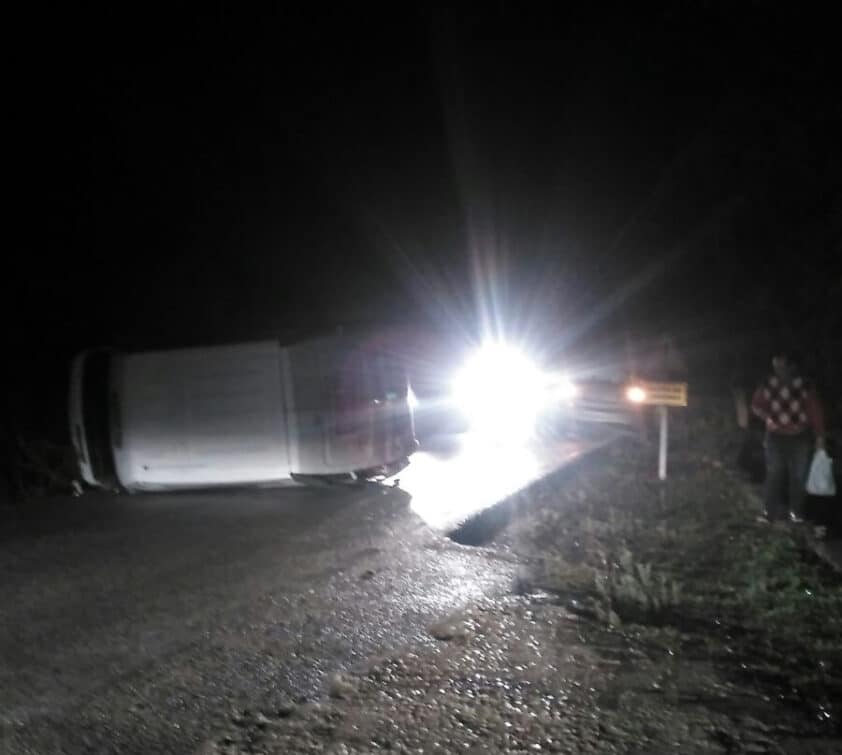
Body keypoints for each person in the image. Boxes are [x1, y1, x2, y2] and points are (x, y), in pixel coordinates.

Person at [751, 350, 826, 523]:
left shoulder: (804, 384)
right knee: (774, 474)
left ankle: (796, 513)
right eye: (775, 365)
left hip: (799, 437)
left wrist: (820, 436)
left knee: (798, 477)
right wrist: (767, 417)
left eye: (782, 364)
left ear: (791, 366)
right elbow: (755, 405)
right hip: (775, 437)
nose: (778, 368)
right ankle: (768, 513)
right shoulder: (768, 383)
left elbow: (815, 411)